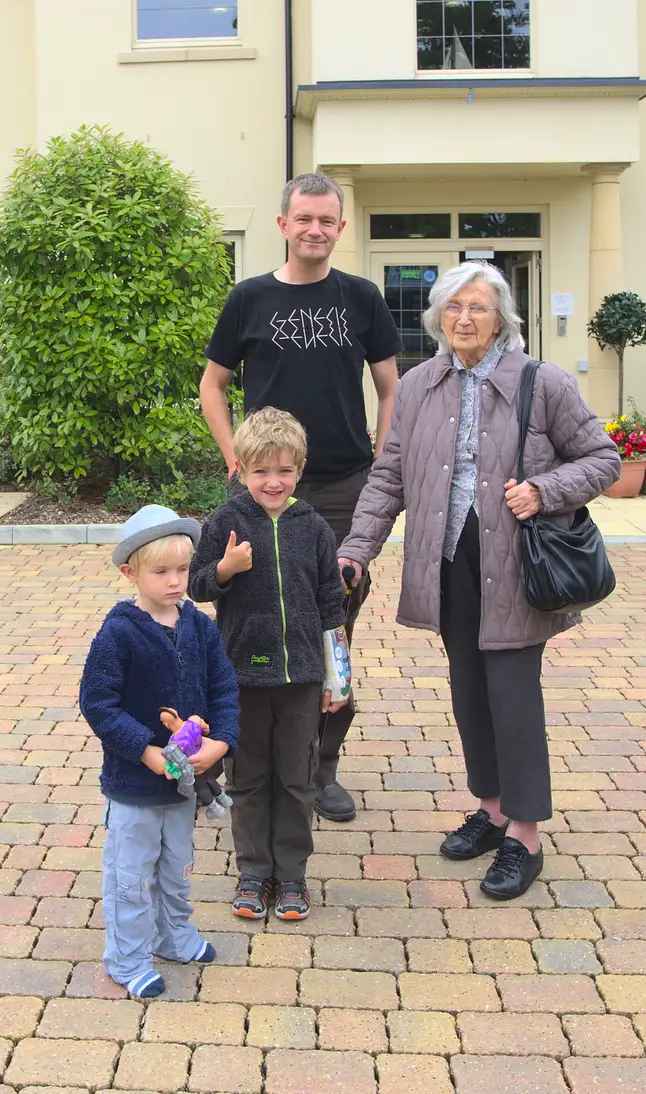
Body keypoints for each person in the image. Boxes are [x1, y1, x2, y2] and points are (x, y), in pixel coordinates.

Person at [336, 262, 620, 901]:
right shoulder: (416, 386)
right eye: (454, 308)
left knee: (512, 693)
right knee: (468, 687)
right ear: (438, 317)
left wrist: (546, 491)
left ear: (502, 320)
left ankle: (525, 833)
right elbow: (388, 477)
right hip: (446, 556)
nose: (465, 319)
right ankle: (492, 810)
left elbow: (604, 458)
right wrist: (357, 550)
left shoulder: (541, 383)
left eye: (480, 308)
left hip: (515, 560)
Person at [199, 171, 401, 823]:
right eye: (303, 218)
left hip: (342, 489)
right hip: (263, 493)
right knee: (248, 621)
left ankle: (321, 767)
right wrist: (237, 457)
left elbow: (391, 388)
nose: (316, 229)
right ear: (283, 225)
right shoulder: (248, 299)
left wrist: (381, 462)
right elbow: (213, 384)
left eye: (327, 220)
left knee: (330, 631)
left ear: (341, 229)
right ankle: (241, 759)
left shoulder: (363, 300)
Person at [189, 408, 348, 920]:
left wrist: (336, 675)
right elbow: (195, 585)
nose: (273, 482)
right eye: (261, 472)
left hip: (302, 678)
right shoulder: (225, 522)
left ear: (299, 470)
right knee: (249, 778)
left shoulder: (314, 528)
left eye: (283, 471)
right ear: (240, 469)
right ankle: (254, 874)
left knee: (296, 780)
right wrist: (225, 569)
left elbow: (331, 604)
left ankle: (293, 877)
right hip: (242, 678)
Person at [79, 505, 240, 997]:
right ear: (131, 572)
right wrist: (145, 750)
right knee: (131, 874)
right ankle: (126, 958)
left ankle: (172, 935)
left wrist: (221, 742)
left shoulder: (200, 626)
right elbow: (98, 704)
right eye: (161, 572)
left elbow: (224, 688)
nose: (175, 582)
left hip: (185, 785)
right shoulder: (119, 633)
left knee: (176, 866)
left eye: (183, 570)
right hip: (134, 786)